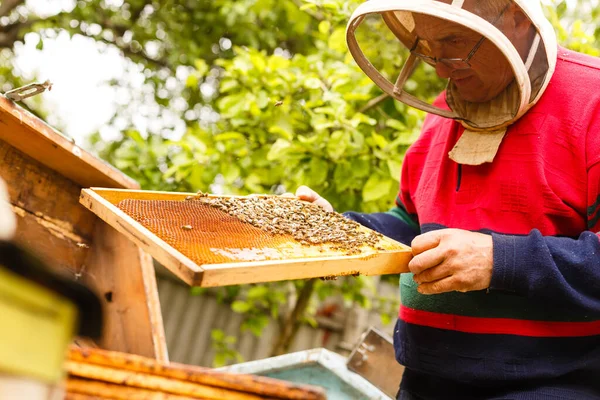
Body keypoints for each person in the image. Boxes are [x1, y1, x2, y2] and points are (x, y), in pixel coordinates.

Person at [296, 0, 600, 398]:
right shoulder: (443, 108)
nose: (440, 68)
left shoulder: (592, 100)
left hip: (554, 386)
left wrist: (498, 260)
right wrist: (339, 232)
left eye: (454, 41)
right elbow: (410, 224)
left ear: (518, 17)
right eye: (430, 48)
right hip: (423, 379)